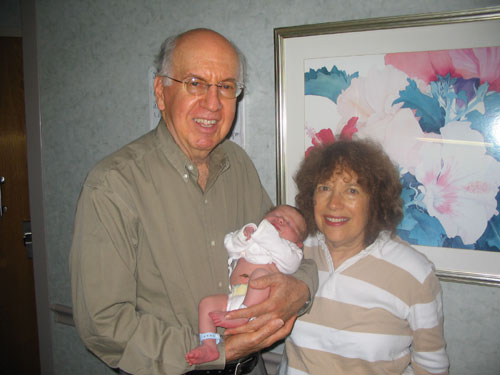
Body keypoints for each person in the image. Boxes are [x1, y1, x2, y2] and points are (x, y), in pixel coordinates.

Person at [70, 28, 317, 375]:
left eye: (226, 86)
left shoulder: (239, 165)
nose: (213, 103)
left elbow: (292, 244)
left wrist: (300, 289)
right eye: (196, 83)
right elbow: (104, 325)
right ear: (161, 92)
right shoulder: (113, 185)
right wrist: (219, 350)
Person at [279, 139, 449, 375]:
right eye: (325, 188)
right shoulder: (292, 252)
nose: (334, 203)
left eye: (352, 190)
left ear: (375, 201)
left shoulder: (414, 273)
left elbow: (431, 367)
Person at [186, 205, 307, 365]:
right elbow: (229, 244)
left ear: (298, 243)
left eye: (289, 223)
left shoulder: (290, 251)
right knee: (206, 303)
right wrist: (244, 235)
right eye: (276, 215)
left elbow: (290, 264)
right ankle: (209, 345)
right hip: (235, 295)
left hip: (258, 304)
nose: (280, 220)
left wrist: (265, 232)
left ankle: (242, 316)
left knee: (261, 277)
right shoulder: (253, 238)